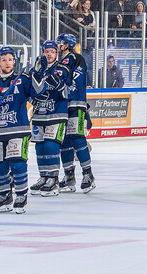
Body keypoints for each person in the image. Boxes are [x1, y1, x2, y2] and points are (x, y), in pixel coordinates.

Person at [0, 46, 39, 213]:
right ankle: (5, 195)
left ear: (15, 61)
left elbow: (37, 94)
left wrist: (37, 75)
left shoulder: (22, 79)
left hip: (18, 129)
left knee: (18, 163)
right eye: (4, 59)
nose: (7, 62)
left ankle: (21, 195)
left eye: (10, 59)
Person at [28, 40, 70, 196]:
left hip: (57, 113)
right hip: (39, 114)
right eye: (46, 51)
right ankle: (44, 176)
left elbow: (68, 92)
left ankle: (53, 179)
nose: (49, 54)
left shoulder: (63, 69)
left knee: (51, 145)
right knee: (40, 146)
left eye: (52, 51)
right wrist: (34, 98)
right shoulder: (35, 69)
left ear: (56, 53)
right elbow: (28, 90)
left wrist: (57, 83)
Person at [56, 34, 95, 194]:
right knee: (64, 141)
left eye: (59, 44)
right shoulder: (59, 62)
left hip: (75, 103)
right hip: (62, 106)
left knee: (77, 137)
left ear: (67, 45)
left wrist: (64, 85)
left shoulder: (76, 58)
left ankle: (88, 175)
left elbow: (76, 80)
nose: (57, 46)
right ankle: (69, 177)